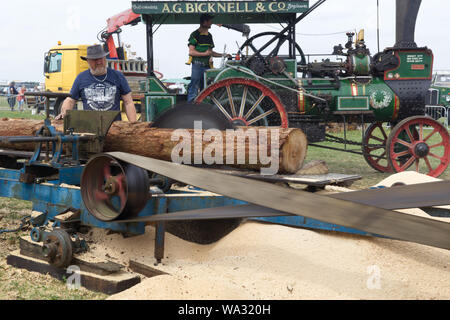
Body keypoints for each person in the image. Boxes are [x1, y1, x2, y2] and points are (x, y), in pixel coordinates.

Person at [56, 44, 137, 122]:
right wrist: (63, 114)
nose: (99, 62)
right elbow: (70, 100)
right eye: (94, 60)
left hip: (114, 126)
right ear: (87, 61)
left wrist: (133, 125)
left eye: (101, 58)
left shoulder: (118, 76)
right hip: (90, 127)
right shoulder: (81, 78)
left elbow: (128, 102)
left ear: (105, 58)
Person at [186, 14, 231, 102]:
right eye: (210, 21)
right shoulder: (195, 35)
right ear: (204, 22)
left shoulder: (209, 36)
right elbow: (191, 52)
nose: (211, 23)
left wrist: (223, 55)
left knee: (205, 89)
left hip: (207, 67)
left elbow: (210, 53)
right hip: (197, 65)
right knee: (194, 86)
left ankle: (203, 107)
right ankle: (190, 107)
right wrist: (205, 54)